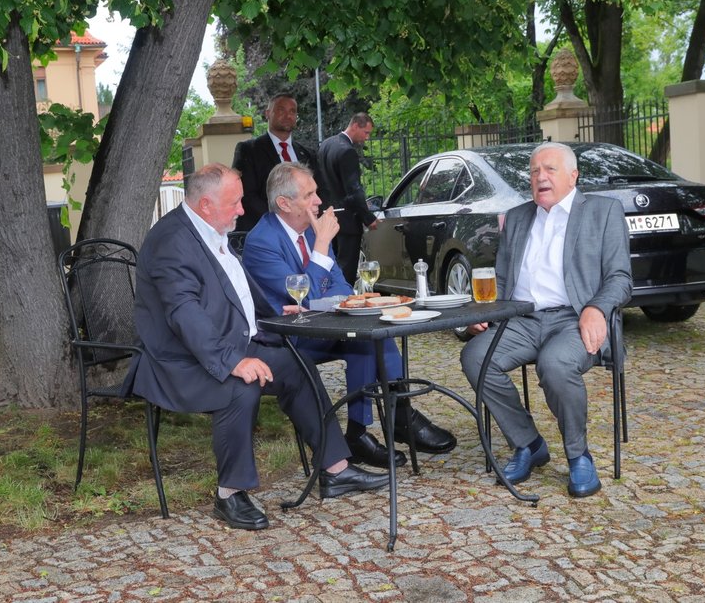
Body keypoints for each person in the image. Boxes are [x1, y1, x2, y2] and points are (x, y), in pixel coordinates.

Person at [124, 163, 387, 531]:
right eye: (234, 203)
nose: (242, 210)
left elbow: (233, 289)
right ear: (204, 204)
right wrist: (234, 360)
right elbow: (184, 314)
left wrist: (275, 311)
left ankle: (335, 470)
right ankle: (230, 494)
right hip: (180, 360)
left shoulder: (210, 227)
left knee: (298, 368)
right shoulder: (172, 242)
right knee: (241, 387)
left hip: (229, 343)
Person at [243, 162, 457, 465]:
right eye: (310, 195)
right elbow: (308, 293)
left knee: (374, 332)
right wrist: (321, 248)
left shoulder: (312, 233)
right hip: (289, 338)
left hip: (321, 325)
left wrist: (327, 290)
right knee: (365, 338)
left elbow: (340, 288)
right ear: (284, 203)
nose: (319, 201)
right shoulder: (262, 242)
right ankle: (395, 419)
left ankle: (367, 427)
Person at [459, 142, 631, 498]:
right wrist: (484, 314)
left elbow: (620, 278)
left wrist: (596, 308)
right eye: (535, 171)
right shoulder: (519, 216)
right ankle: (528, 442)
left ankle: (578, 455)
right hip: (522, 318)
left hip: (574, 318)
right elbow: (503, 281)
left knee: (554, 365)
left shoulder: (603, 212)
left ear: (573, 175)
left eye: (550, 170)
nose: (541, 177)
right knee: (475, 357)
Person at [232, 92, 318, 232]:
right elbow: (247, 195)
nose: (287, 115)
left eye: (292, 111)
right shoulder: (249, 150)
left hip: (306, 230)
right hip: (266, 230)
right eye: (281, 110)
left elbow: (320, 192)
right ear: (267, 113)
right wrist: (283, 221)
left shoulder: (308, 154)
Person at [317, 113, 378, 285]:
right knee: (346, 270)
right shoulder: (347, 151)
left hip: (327, 216)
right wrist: (368, 217)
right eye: (366, 132)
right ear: (355, 126)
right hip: (347, 220)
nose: (367, 138)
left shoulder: (326, 145)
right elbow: (353, 190)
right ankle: (344, 302)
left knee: (330, 266)